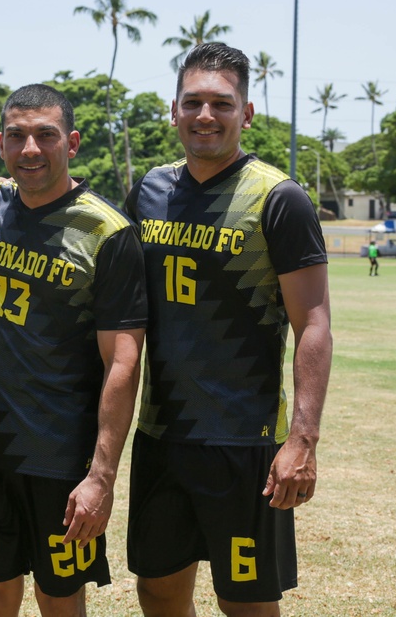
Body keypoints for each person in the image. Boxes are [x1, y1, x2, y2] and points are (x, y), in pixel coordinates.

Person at [124, 43, 333, 617]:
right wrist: (9, 191)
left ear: (247, 112)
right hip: (162, 435)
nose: (205, 115)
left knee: (245, 602)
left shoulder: (279, 198)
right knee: (158, 591)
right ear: (174, 110)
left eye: (222, 102)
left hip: (245, 442)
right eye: (193, 102)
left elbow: (313, 324)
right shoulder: (149, 191)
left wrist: (303, 439)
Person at [0, 84, 148, 617]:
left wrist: (101, 476)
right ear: (1, 147)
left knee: (59, 599)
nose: (30, 148)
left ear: (71, 143)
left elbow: (122, 363)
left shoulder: (108, 232)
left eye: (45, 135)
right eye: (17, 136)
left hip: (62, 457)